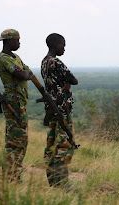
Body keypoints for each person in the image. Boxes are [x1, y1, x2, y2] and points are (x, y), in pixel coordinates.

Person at [0, 29, 33, 182]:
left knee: (21, 139)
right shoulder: (4, 58)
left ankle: (14, 174)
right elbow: (23, 74)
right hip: (13, 103)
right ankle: (12, 176)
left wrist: (25, 72)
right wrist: (25, 73)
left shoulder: (15, 57)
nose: (19, 43)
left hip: (20, 102)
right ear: (9, 40)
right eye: (17, 40)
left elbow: (27, 71)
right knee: (15, 139)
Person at [41, 33, 78, 187]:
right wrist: (66, 84)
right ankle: (62, 184)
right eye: (63, 44)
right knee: (64, 146)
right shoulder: (56, 62)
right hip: (61, 109)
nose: (64, 48)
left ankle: (53, 182)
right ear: (55, 44)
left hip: (51, 109)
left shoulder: (44, 62)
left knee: (51, 145)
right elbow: (74, 80)